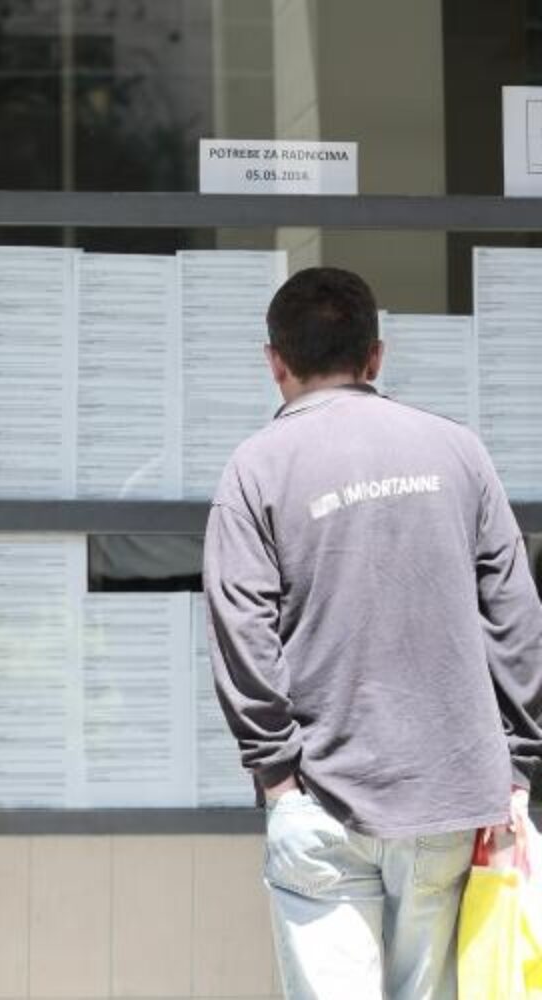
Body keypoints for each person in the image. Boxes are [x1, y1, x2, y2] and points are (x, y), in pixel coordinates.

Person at [204, 266, 542, 1000]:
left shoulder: (255, 470)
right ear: (376, 356)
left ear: (275, 362)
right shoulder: (459, 452)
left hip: (319, 800)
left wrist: (279, 778)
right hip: (448, 797)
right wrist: (517, 766)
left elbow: (240, 628)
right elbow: (515, 616)